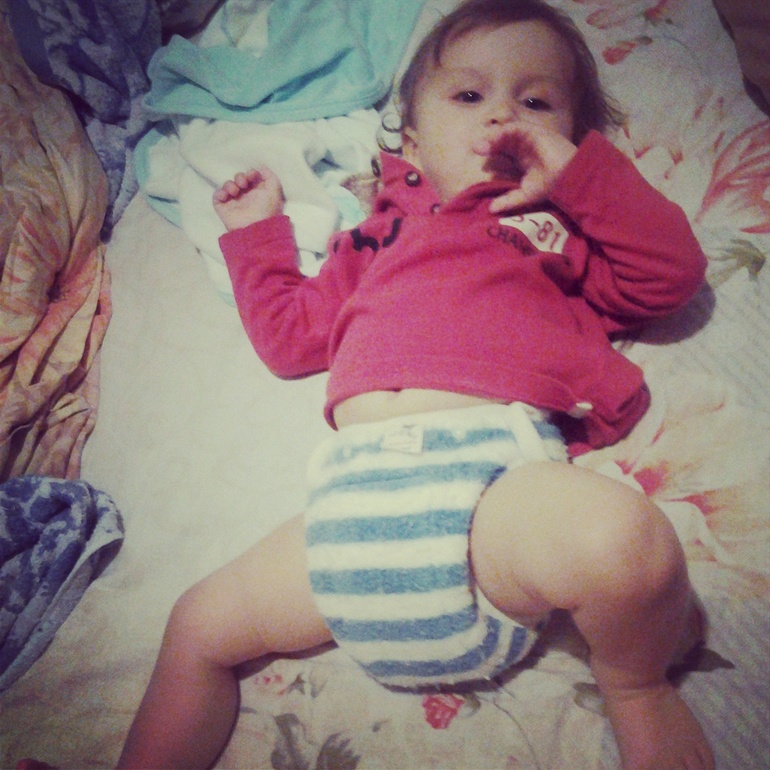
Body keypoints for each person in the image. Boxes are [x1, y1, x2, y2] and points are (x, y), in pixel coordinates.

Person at [112, 1, 715, 769]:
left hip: (489, 506)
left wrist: (582, 180)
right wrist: (256, 233)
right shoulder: (372, 241)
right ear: (413, 141)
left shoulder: (554, 233)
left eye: (536, 102)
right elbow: (291, 338)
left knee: (626, 548)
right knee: (196, 627)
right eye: (468, 94)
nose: (502, 113)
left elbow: (670, 277)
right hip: (350, 514)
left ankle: (636, 686)